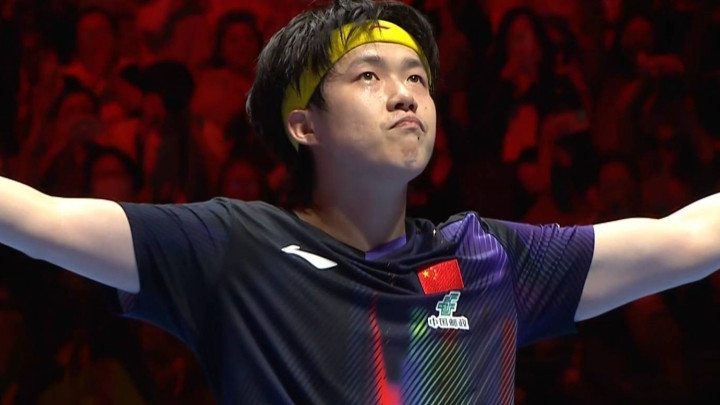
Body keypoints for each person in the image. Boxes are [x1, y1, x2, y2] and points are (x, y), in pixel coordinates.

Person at [0, 0, 718, 403]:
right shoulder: (233, 249)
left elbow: (687, 238)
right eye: (369, 76)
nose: (405, 94)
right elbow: (35, 215)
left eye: (417, 77)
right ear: (304, 125)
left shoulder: (490, 258)